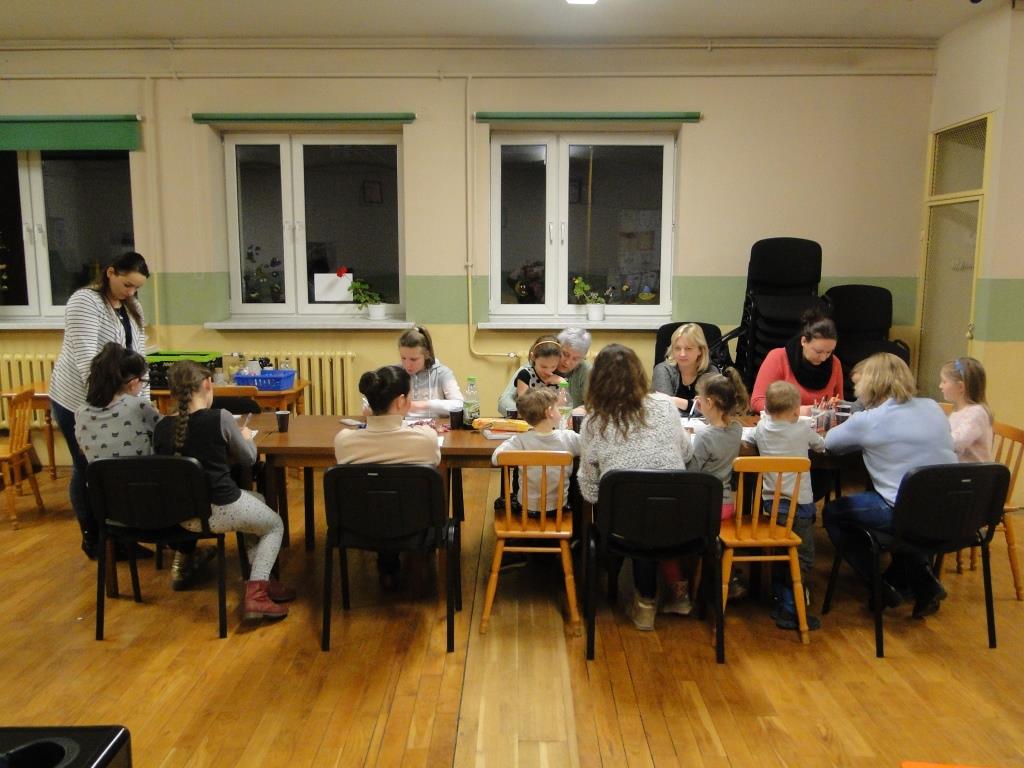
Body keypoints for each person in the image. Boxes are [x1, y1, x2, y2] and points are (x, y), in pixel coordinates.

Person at [153, 361, 293, 623]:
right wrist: (246, 438)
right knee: (275, 525)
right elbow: (249, 459)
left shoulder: (161, 428)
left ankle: (261, 578)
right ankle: (257, 594)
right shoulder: (220, 418)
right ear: (208, 384)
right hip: (222, 508)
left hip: (185, 516)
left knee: (258, 502)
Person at [822, 353, 957, 619]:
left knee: (833, 513)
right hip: (952, 512)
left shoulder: (869, 420)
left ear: (869, 384)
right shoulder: (932, 407)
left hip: (905, 512)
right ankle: (922, 582)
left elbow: (830, 443)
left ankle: (879, 585)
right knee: (900, 513)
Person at [75, 343, 214, 588]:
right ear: (133, 383)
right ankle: (183, 555)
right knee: (189, 477)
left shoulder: (80, 413)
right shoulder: (137, 407)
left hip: (111, 513)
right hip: (158, 508)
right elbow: (168, 433)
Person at [578, 344, 693, 631]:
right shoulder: (665, 406)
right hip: (676, 518)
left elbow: (590, 490)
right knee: (650, 512)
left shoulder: (594, 421)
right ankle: (661, 596)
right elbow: (686, 453)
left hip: (623, 524)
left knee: (635, 513)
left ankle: (644, 603)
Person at [49, 251, 151, 559]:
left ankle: (119, 537)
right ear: (110, 272)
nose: (131, 292)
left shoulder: (132, 306)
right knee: (88, 469)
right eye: (127, 284)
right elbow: (87, 364)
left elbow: (138, 361)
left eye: (137, 288)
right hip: (79, 402)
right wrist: (109, 408)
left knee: (113, 472)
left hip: (115, 400)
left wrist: (142, 405)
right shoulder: (85, 302)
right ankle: (94, 538)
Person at [334, 365, 441, 588]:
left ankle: (387, 567)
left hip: (359, 526)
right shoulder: (425, 439)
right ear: (401, 401)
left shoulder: (344, 441)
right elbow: (435, 462)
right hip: (415, 525)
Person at [660, 368, 748, 617]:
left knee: (661, 530)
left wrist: (686, 443)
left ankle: (678, 591)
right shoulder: (736, 429)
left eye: (699, 398)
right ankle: (725, 576)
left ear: (708, 402)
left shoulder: (705, 436)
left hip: (703, 506)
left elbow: (692, 471)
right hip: (726, 505)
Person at [742, 380, 826, 630]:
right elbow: (821, 445)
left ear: (766, 409)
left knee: (783, 549)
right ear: (795, 411)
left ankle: (780, 600)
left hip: (773, 504)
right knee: (802, 557)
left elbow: (747, 436)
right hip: (800, 504)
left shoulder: (762, 429)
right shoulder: (802, 429)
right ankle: (791, 608)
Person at [491, 388, 581, 514]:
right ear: (550, 412)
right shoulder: (568, 437)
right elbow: (591, 448)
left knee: (504, 499)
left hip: (527, 509)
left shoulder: (520, 441)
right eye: (557, 407)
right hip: (558, 509)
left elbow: (496, 458)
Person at [750, 309, 844, 414]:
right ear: (804, 341)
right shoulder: (778, 358)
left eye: (829, 352)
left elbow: (839, 404)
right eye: (818, 351)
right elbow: (757, 401)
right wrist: (794, 411)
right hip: (784, 422)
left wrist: (834, 406)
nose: (823, 358)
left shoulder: (835, 363)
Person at [651, 323, 720, 413]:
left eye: (688, 348)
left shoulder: (711, 372)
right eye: (677, 348)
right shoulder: (663, 370)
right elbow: (664, 406)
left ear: (700, 350)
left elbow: (714, 408)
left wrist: (681, 402)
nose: (682, 354)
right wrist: (696, 405)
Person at [398, 325, 464, 418]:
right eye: (403, 358)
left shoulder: (442, 373)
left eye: (413, 359)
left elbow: (460, 405)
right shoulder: (397, 373)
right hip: (405, 426)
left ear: (426, 354)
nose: (407, 365)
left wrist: (425, 404)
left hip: (436, 425)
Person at [939, 356, 993, 463]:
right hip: (959, 470)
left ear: (960, 387)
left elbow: (957, 442)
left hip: (974, 472)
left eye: (944, 382)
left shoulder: (977, 413)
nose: (940, 386)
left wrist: (933, 439)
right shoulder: (957, 412)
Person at [498, 335, 566, 417]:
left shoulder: (561, 376)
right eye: (543, 366)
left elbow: (563, 406)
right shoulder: (525, 374)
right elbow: (521, 404)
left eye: (553, 366)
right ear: (533, 357)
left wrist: (563, 384)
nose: (548, 371)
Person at [554, 327, 593, 411]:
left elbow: (593, 405)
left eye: (575, 359)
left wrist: (578, 411)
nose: (567, 362)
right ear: (556, 347)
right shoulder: (539, 366)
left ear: (582, 358)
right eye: (565, 354)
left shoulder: (586, 371)